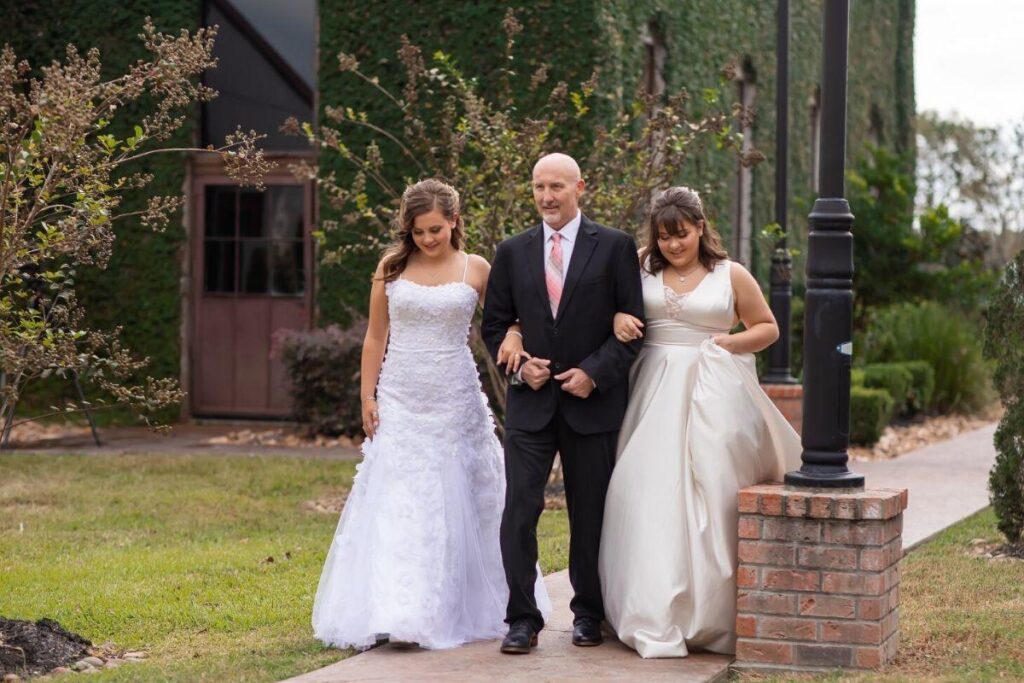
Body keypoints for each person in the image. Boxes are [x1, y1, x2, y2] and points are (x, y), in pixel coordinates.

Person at [312, 178, 550, 651]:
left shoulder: (476, 268)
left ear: (454, 221)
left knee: (465, 500)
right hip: (400, 396)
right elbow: (375, 336)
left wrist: (516, 336)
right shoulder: (391, 267)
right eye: (418, 231)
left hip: (455, 399)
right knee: (400, 500)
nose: (427, 239)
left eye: (436, 230)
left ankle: (465, 605)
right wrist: (367, 397)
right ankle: (396, 609)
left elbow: (506, 320)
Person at [598, 186, 802, 658]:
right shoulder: (639, 265)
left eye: (682, 234)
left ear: (700, 228)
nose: (673, 245)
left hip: (712, 391)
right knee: (643, 492)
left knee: (709, 492)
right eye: (664, 236)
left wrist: (729, 343)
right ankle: (647, 607)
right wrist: (616, 319)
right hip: (651, 389)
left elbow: (767, 328)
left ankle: (707, 615)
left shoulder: (731, 274)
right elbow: (606, 308)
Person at [482, 153, 645, 654]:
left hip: (591, 407)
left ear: (580, 186)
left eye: (556, 186)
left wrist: (594, 374)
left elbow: (633, 329)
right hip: (530, 405)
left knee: (590, 515)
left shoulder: (615, 247)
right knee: (518, 512)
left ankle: (588, 614)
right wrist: (518, 364)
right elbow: (495, 325)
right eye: (538, 187)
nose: (546, 196)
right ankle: (521, 619)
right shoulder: (512, 251)